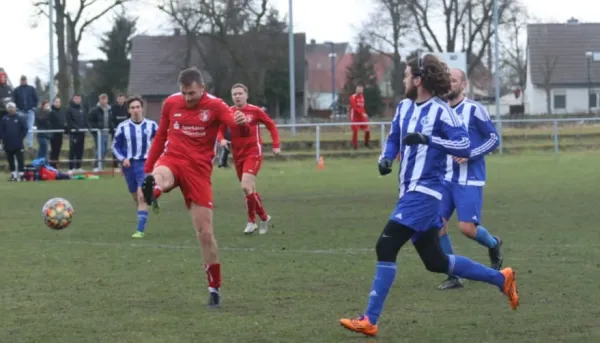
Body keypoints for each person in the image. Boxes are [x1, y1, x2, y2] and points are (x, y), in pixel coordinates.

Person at [338, 55, 519, 338]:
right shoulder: (404, 106)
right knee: (436, 262)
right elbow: (395, 136)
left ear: (419, 80)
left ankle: (370, 319)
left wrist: (429, 140)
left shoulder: (441, 111)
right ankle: (501, 278)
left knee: (385, 247)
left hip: (426, 193)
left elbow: (462, 144)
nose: (404, 80)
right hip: (408, 191)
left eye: (407, 75)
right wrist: (386, 158)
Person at [141, 67, 249, 308]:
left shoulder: (216, 105)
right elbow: (160, 136)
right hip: (173, 158)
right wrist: (148, 167)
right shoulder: (171, 104)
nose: (187, 97)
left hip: (199, 171)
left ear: (202, 88)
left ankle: (214, 290)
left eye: (191, 93)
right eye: (183, 93)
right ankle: (154, 188)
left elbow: (234, 124)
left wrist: (241, 123)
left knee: (205, 233)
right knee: (161, 175)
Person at [437, 68, 502, 290]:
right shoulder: (440, 111)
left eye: (454, 80)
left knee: (466, 228)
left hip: (469, 178)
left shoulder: (475, 110)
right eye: (447, 80)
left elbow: (493, 138)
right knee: (437, 226)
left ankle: (493, 244)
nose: (449, 84)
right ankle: (453, 276)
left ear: (463, 85)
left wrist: (470, 154)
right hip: (444, 178)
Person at [217, 83, 280, 235]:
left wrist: (276, 145)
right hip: (237, 154)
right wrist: (221, 140)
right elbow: (219, 130)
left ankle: (257, 219)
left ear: (246, 95)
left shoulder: (255, 111)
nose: (237, 96)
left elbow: (271, 125)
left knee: (245, 186)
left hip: (253, 152)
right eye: (234, 94)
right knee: (249, 190)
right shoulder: (228, 112)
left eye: (240, 93)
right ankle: (256, 220)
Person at [112, 96, 158, 239]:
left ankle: (140, 230)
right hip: (129, 165)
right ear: (129, 110)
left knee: (141, 196)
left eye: (138, 107)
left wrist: (158, 158)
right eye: (132, 108)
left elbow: (162, 142)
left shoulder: (152, 125)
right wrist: (122, 158)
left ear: (142, 108)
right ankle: (152, 197)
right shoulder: (123, 127)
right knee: (135, 196)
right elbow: (115, 146)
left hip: (146, 163)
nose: (136, 110)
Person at [0, 102, 27, 181]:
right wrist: (3, 139)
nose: (11, 109)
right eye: (9, 107)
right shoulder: (4, 119)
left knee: (20, 159)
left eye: (12, 107)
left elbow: (25, 128)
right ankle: (14, 175)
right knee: (10, 160)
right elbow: (1, 130)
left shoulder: (20, 118)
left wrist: (21, 137)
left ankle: (21, 175)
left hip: (18, 143)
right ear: (7, 109)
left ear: (15, 108)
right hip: (8, 143)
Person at [12, 76, 38, 149]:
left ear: (26, 80)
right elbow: (13, 100)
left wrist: (34, 107)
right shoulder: (16, 90)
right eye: (22, 80)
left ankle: (30, 145)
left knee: (30, 128)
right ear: (20, 81)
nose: (23, 81)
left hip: (30, 111)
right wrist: (16, 108)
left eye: (24, 80)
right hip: (20, 111)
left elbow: (36, 99)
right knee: (20, 128)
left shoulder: (31, 89)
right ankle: (20, 144)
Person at [88, 93, 112, 172]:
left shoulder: (110, 109)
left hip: (107, 133)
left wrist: (112, 127)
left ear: (107, 100)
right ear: (99, 100)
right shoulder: (95, 110)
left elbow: (111, 120)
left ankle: (101, 166)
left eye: (105, 99)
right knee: (100, 149)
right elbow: (90, 121)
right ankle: (96, 166)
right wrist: (96, 128)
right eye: (102, 99)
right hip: (99, 133)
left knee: (105, 150)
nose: (104, 101)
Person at [66, 94, 88, 172]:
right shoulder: (69, 108)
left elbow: (85, 119)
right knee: (73, 150)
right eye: (76, 98)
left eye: (79, 98)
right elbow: (69, 121)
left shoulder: (82, 108)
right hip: (74, 133)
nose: (77, 100)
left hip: (82, 133)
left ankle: (78, 167)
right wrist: (75, 128)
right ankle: (71, 168)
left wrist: (88, 127)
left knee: (80, 150)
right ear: (73, 99)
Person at [110, 94, 130, 169]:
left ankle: (124, 162)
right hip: (116, 132)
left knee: (125, 147)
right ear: (117, 99)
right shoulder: (113, 108)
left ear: (124, 99)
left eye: (122, 99)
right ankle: (115, 164)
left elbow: (129, 118)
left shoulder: (127, 107)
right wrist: (114, 128)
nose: (121, 100)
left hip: (126, 131)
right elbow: (111, 119)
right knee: (116, 147)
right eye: (119, 99)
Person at [349, 84, 371, 149]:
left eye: (361, 89)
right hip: (355, 117)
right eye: (359, 89)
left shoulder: (362, 96)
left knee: (367, 130)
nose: (360, 90)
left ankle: (366, 143)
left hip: (362, 116)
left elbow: (362, 107)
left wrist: (364, 114)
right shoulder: (352, 97)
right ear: (356, 89)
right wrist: (362, 113)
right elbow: (355, 107)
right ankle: (355, 145)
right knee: (355, 130)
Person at [49, 97, 66, 169]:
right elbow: (55, 123)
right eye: (56, 102)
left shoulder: (61, 112)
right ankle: (52, 167)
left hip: (60, 134)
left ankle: (55, 166)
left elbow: (63, 122)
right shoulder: (51, 112)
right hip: (54, 135)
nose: (58, 103)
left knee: (57, 151)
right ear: (53, 103)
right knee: (54, 151)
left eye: (59, 102)